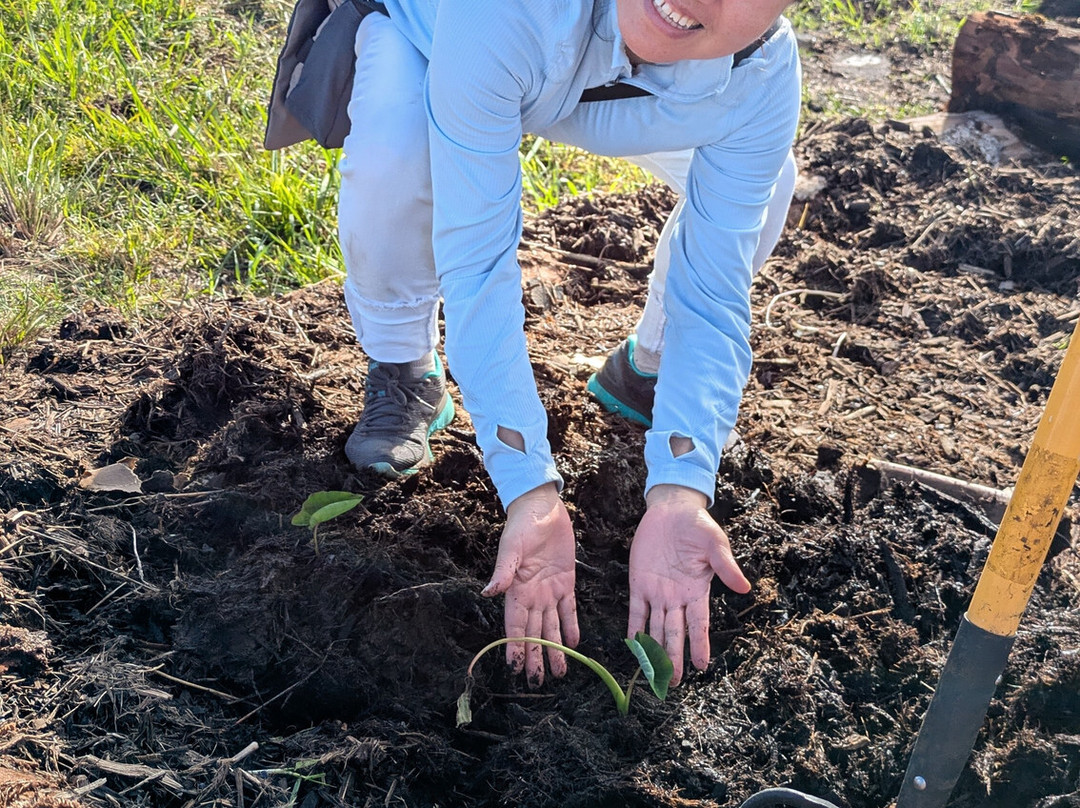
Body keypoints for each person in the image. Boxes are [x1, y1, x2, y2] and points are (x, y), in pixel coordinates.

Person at [335, 0, 800, 688]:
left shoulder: (760, 73)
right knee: (393, 154)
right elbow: (479, 265)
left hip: (608, 80)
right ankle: (404, 366)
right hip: (446, 37)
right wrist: (528, 487)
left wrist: (682, 486)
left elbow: (713, 293)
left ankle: (650, 367)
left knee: (770, 179)